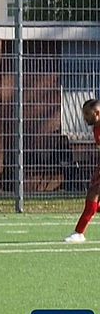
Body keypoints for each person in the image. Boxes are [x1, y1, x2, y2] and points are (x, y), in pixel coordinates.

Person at [64, 99, 100, 243]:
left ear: (97, 113)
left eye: (87, 114)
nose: (84, 118)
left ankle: (79, 233)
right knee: (94, 200)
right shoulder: (96, 127)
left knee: (92, 194)